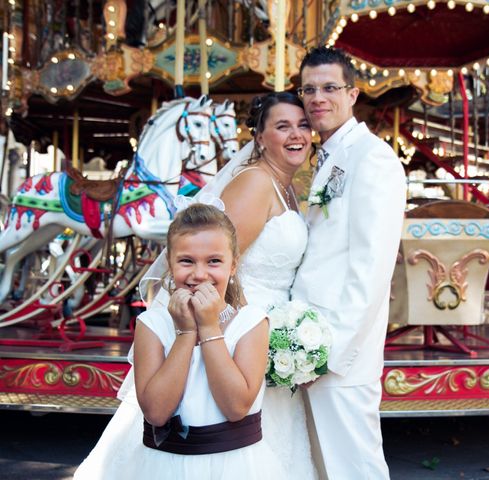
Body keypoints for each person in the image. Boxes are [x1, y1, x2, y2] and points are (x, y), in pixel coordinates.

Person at [75, 91, 316, 479]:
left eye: (303, 124)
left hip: (259, 328)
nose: (296, 134)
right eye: (282, 125)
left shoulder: (285, 186)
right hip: (226, 326)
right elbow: (213, 261)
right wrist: (222, 325)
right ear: (258, 136)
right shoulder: (256, 183)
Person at [87, 203, 280, 480]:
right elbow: (156, 413)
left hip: (235, 467)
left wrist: (209, 326)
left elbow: (236, 407)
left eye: (214, 261)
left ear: (233, 265)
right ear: (170, 264)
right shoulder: (152, 325)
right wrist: (186, 333)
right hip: (166, 468)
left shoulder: (251, 323)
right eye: (186, 261)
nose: (199, 274)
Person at [292, 47, 407, 479]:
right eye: (309, 89)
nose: (317, 98)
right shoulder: (329, 157)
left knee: (355, 466)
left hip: (339, 351)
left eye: (329, 88)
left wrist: (331, 352)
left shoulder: (372, 158)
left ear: (353, 93)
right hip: (307, 339)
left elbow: (372, 267)